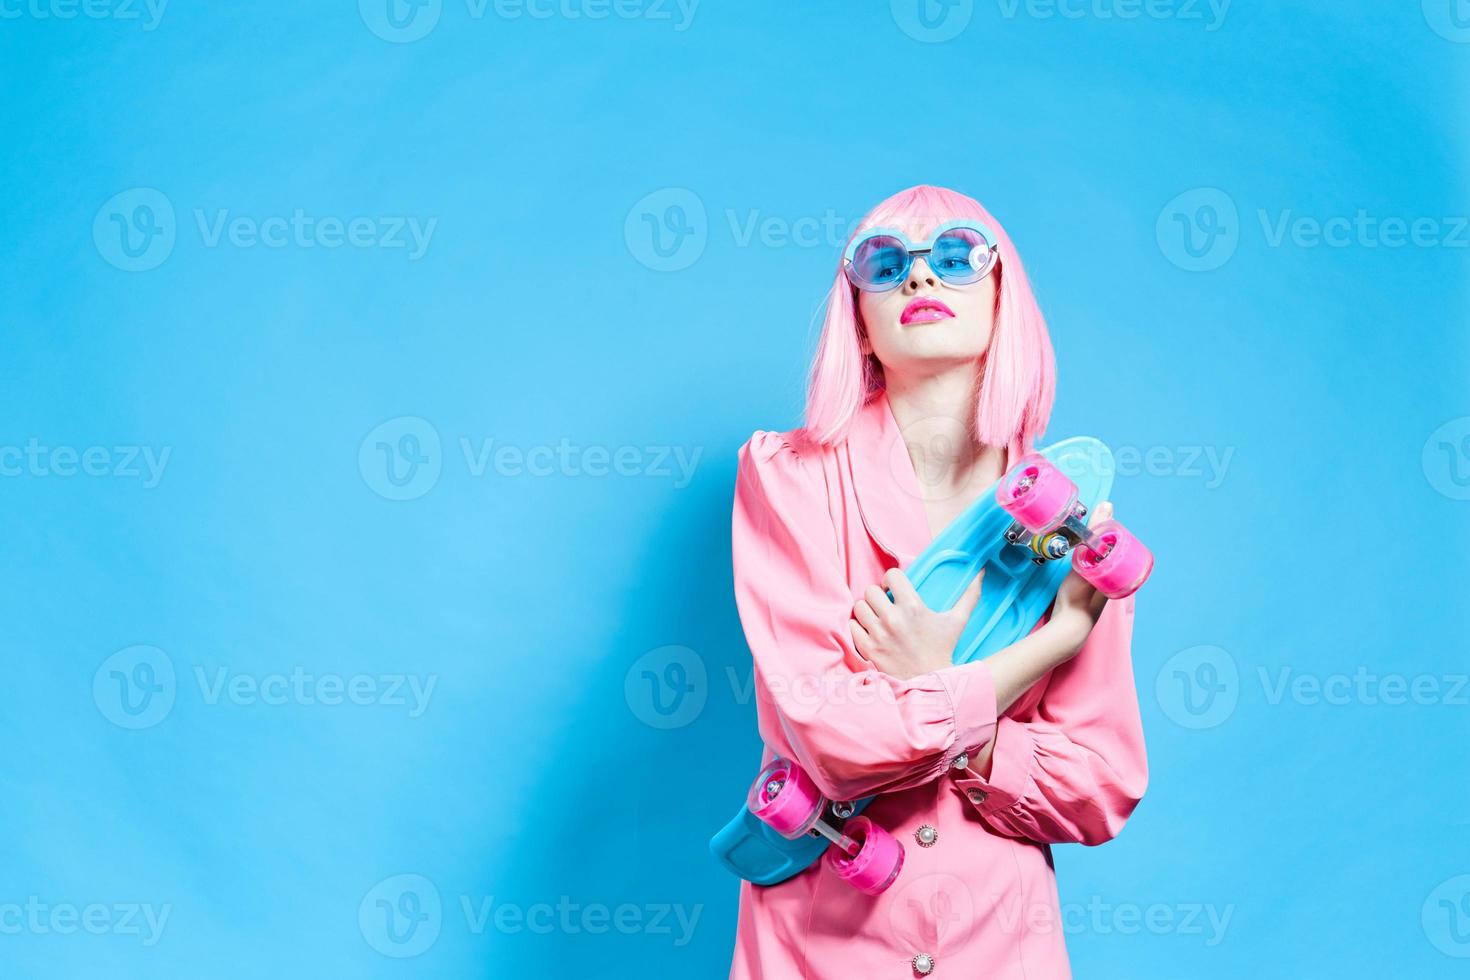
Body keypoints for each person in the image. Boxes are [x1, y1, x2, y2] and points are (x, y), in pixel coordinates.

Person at [727, 184, 1148, 979]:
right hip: (820, 946)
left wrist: (934, 689)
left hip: (999, 943)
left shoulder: (1070, 517)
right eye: (884, 265)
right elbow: (836, 745)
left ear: (1003, 294)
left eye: (956, 257)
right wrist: (1049, 644)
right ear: (858, 315)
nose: (920, 280)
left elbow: (1100, 785)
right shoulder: (789, 476)